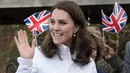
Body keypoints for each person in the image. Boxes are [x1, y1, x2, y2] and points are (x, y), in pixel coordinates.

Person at [14, 1, 97, 73]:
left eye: (62, 22)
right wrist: (26, 62)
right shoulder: (37, 56)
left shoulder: (89, 64)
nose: (55, 28)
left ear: (76, 27)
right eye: (52, 22)